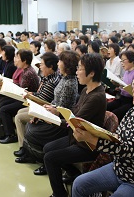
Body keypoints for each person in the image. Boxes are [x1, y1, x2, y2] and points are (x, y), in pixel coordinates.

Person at [72, 65, 134, 197]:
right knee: (79, 184)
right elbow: (119, 137)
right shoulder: (133, 110)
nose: (133, 90)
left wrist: (93, 140)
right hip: (121, 168)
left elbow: (129, 149)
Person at [44, 53, 106, 197]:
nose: (77, 72)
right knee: (47, 148)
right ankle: (73, 173)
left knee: (50, 158)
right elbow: (75, 111)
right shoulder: (86, 89)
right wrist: (57, 111)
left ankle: (59, 194)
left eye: (80, 69)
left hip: (85, 144)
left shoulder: (97, 97)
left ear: (91, 73)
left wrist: (55, 119)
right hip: (76, 136)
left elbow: (75, 121)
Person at [15, 50, 79, 175]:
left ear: (66, 65)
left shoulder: (69, 83)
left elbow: (62, 109)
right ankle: (36, 156)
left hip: (60, 122)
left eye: (60, 61)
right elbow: (55, 103)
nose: (58, 64)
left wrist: (44, 114)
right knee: (30, 125)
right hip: (54, 114)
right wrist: (42, 113)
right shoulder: (64, 79)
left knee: (33, 130)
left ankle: (42, 160)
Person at [13, 52, 61, 157]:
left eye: (42, 64)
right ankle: (25, 145)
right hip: (41, 105)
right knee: (20, 111)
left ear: (51, 67)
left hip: (45, 109)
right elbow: (40, 94)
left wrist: (30, 96)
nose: (40, 67)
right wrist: (31, 94)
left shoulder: (51, 81)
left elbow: (43, 100)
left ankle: (25, 150)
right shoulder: (48, 77)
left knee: (19, 117)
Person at [0, 49, 40, 144]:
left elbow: (21, 91)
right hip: (24, 97)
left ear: (24, 60)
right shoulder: (25, 70)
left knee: (4, 109)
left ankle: (11, 135)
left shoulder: (28, 73)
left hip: (28, 100)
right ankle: (8, 129)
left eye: (17, 57)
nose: (15, 60)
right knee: (2, 101)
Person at [106, 50, 134, 122]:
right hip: (122, 98)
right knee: (105, 107)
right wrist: (118, 86)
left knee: (114, 114)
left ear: (131, 60)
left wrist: (122, 87)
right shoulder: (127, 71)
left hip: (131, 101)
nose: (121, 63)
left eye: (123, 60)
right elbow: (124, 86)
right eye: (121, 61)